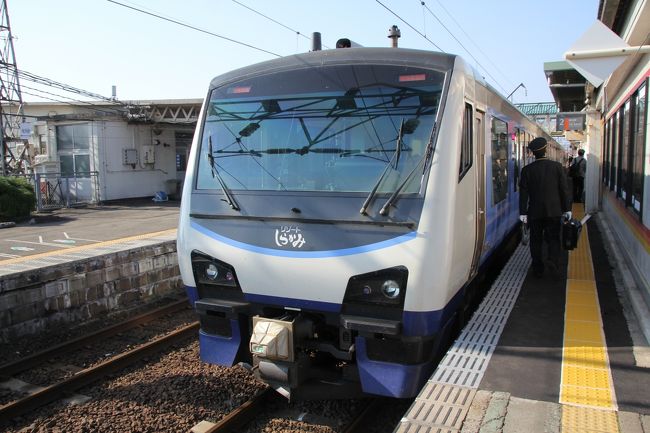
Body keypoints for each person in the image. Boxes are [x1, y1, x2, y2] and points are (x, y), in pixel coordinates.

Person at [519, 137, 571, 278]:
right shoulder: (557, 167)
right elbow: (564, 190)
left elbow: (523, 193)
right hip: (554, 211)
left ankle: (537, 268)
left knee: (535, 240)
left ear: (534, 153)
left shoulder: (526, 170)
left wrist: (522, 212)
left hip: (534, 212)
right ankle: (553, 262)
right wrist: (567, 209)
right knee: (554, 238)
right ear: (546, 150)